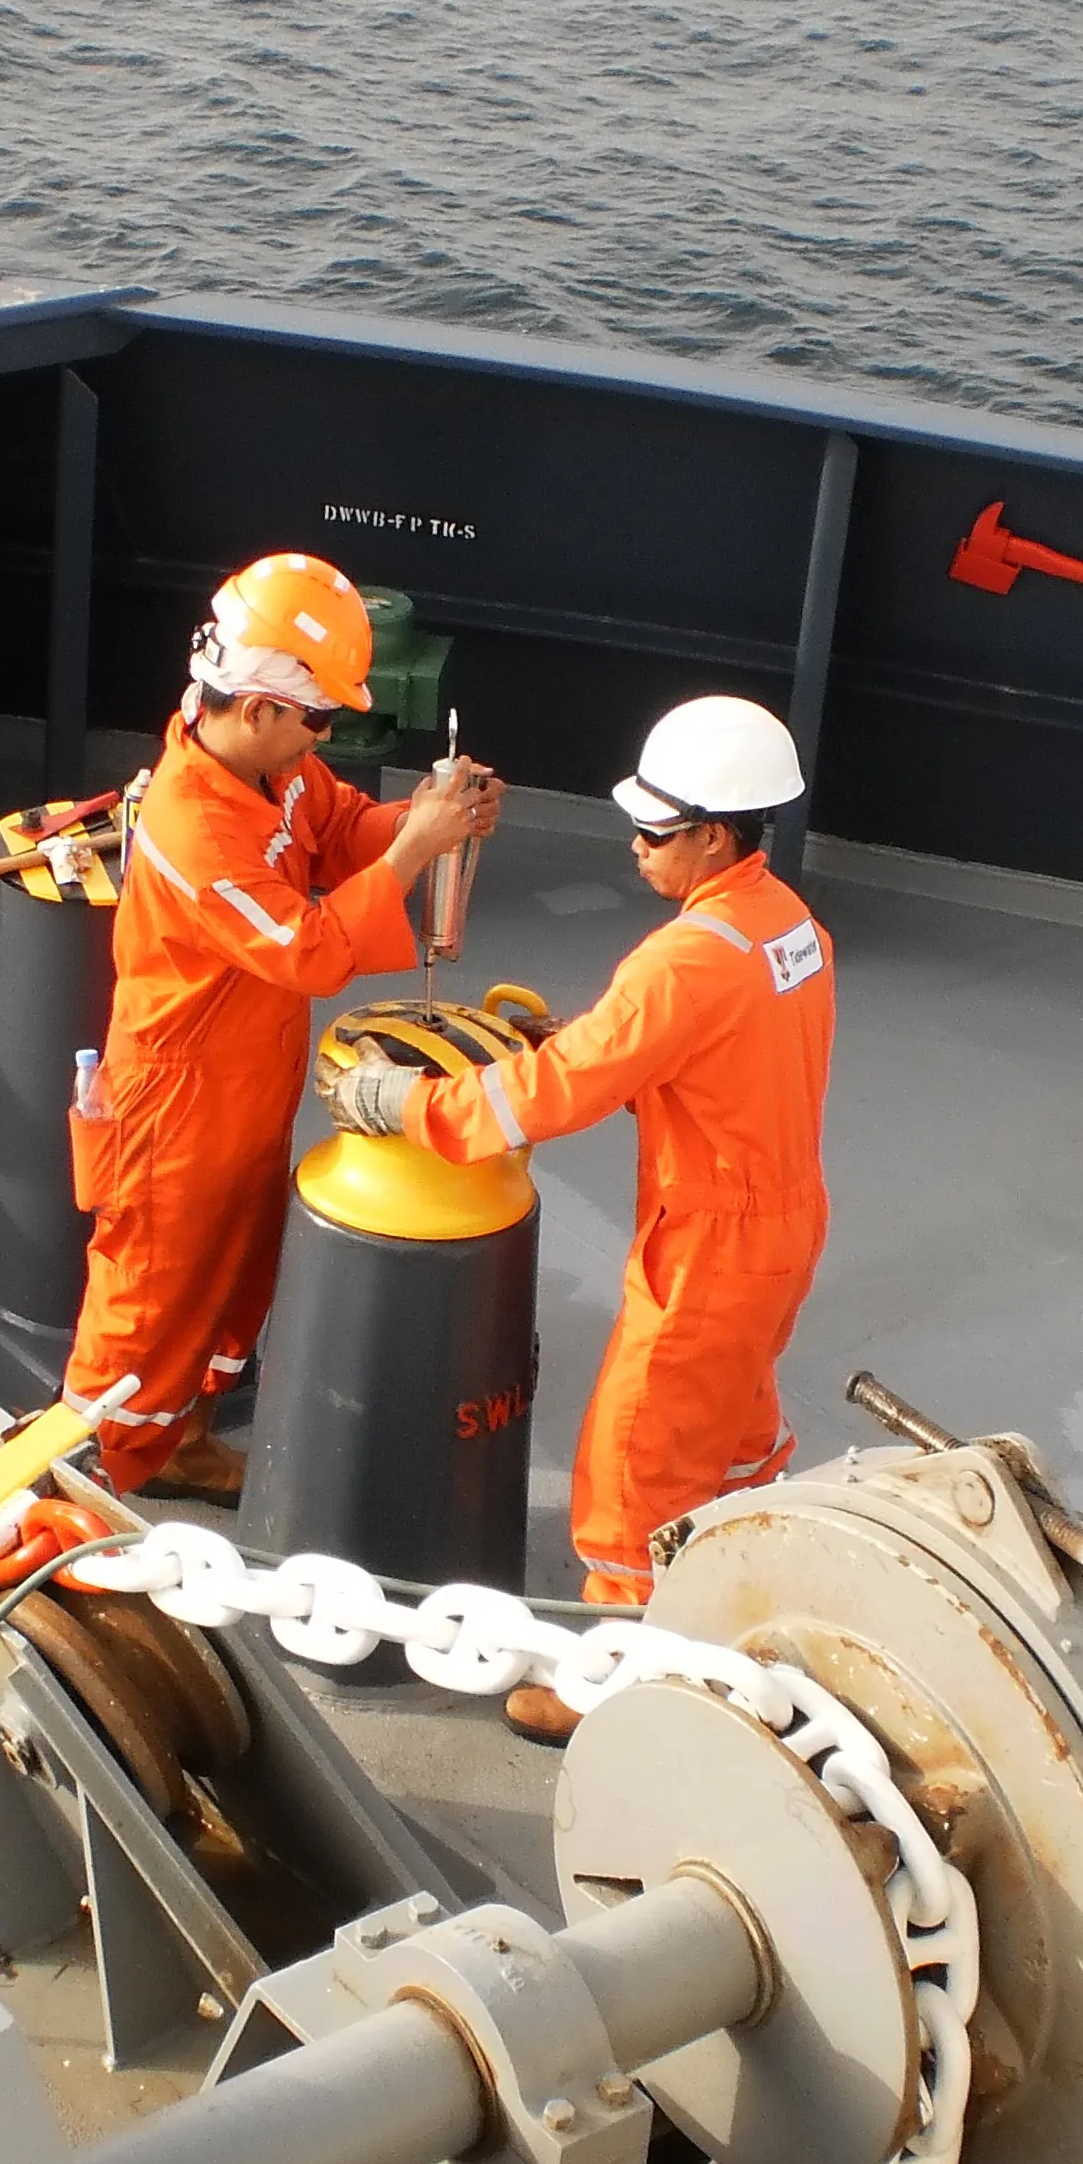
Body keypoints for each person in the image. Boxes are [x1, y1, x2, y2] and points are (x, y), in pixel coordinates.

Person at [328, 695, 833, 1741]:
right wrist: (604, 1040)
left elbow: (544, 1098)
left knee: (633, 1457)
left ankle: (610, 1686)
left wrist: (404, 1105)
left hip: (704, 1244)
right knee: (733, 1431)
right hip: (781, 1225)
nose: (637, 845)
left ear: (711, 833)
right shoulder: (789, 928)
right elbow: (728, 1062)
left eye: (654, 831)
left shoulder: (681, 962)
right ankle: (734, 1590)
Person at [67, 554, 502, 1503]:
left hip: (249, 1080)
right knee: (150, 1292)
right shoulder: (194, 827)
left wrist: (424, 819)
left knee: (233, 1277)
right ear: (259, 707)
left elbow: (345, 832)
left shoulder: (281, 773)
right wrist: (419, 849)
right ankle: (93, 1475)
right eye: (319, 718)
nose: (326, 738)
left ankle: (183, 1441)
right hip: (174, 1103)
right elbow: (306, 949)